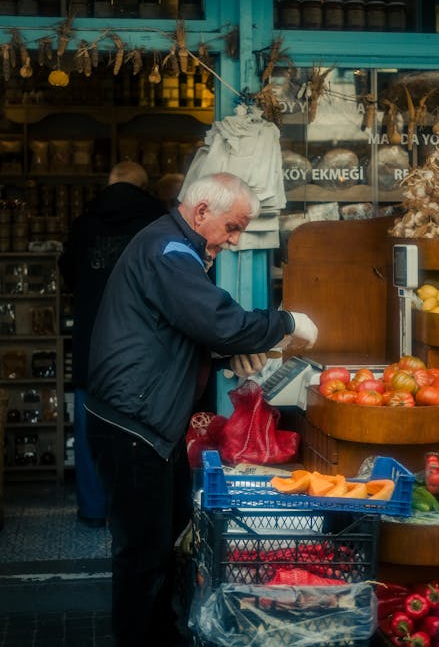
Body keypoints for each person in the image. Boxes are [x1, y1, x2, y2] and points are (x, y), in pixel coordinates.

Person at [85, 171, 318, 647]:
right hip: (135, 425)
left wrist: (223, 353)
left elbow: (177, 328)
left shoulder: (174, 246)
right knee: (142, 554)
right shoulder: (170, 250)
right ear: (202, 212)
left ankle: (160, 632)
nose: (233, 242)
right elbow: (217, 319)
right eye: (232, 228)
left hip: (145, 423)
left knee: (162, 541)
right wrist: (287, 322)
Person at [58, 161, 165, 527]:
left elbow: (68, 273)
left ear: (109, 184)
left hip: (91, 339)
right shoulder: (156, 223)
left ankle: (92, 508)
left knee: (89, 427)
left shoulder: (84, 224)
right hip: (142, 343)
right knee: (142, 428)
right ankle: (136, 511)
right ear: (144, 187)